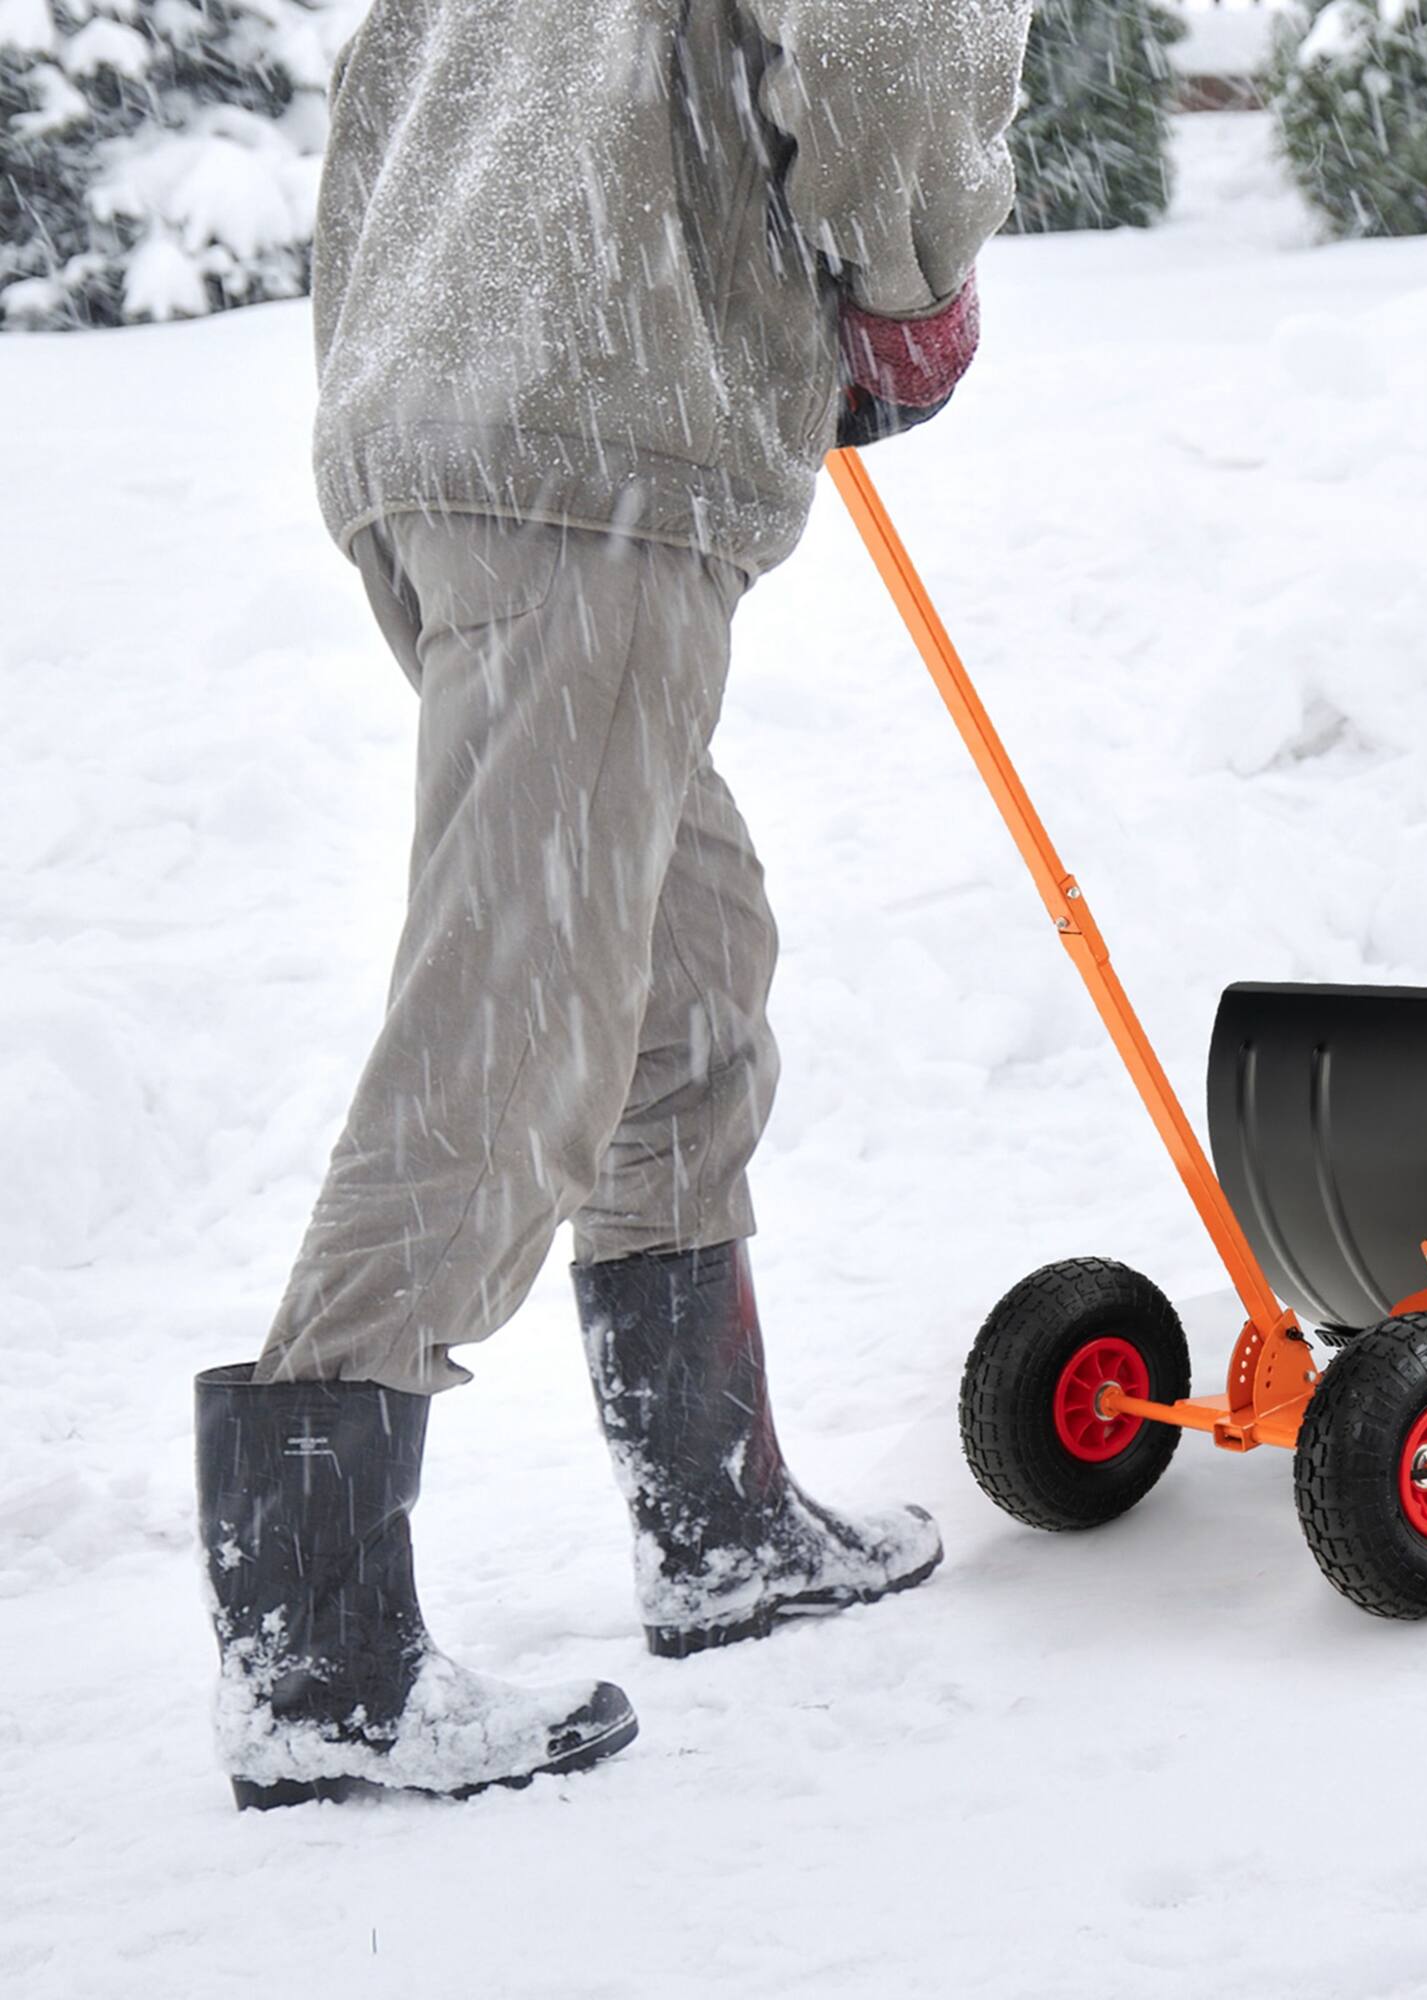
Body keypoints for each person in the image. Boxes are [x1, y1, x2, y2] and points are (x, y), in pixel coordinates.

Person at [195, 0, 1031, 1812]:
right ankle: (321, 1655)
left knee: (679, 967)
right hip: (590, 407)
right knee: (522, 1011)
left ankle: (715, 1520)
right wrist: (905, 279)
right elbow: (897, 39)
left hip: (454, 384)